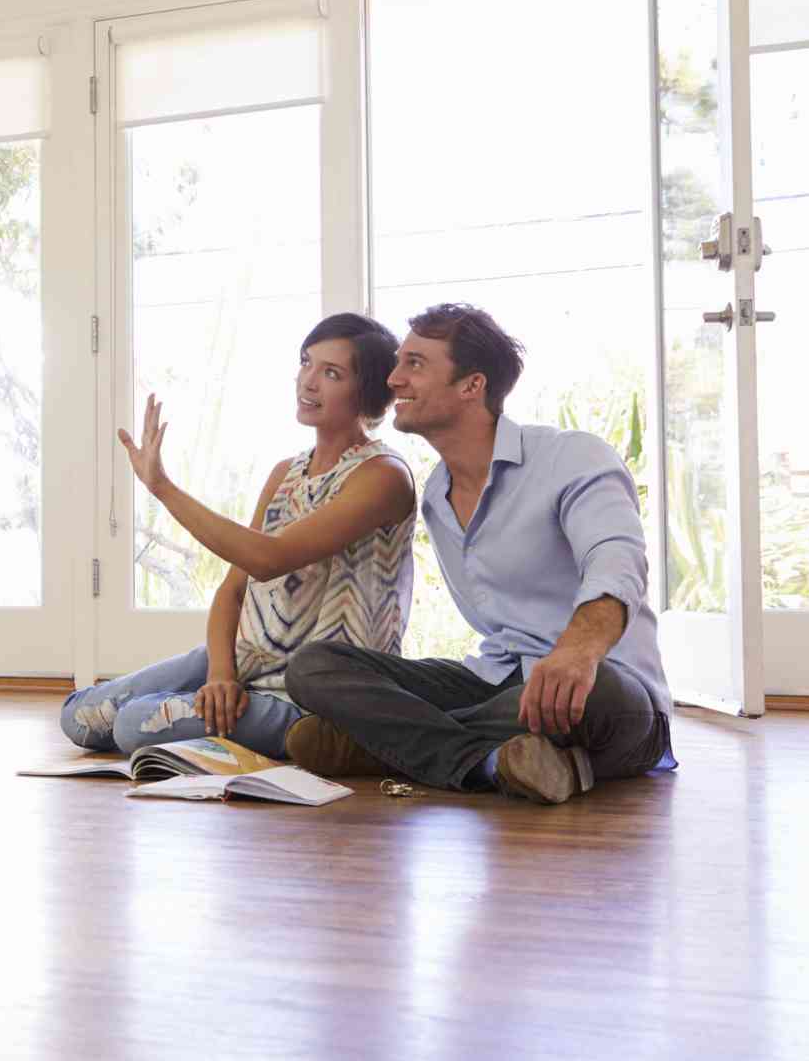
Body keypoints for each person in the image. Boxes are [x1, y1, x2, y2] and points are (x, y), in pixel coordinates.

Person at [283, 303, 676, 805]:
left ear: (472, 385)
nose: (394, 378)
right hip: (497, 682)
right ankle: (490, 762)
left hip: (610, 693)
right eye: (398, 362)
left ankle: (392, 743)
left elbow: (617, 561)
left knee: (591, 691)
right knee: (314, 665)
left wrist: (576, 650)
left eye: (415, 364)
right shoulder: (436, 494)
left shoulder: (571, 455)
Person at [58, 313, 417, 758]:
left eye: (331, 373)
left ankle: (340, 742)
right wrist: (221, 675)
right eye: (306, 363)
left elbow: (269, 558)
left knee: (133, 726)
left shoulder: (382, 476)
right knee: (78, 717)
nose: (308, 382)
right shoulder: (286, 473)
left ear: (368, 394)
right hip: (247, 661)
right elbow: (233, 589)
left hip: (312, 694)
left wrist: (163, 489)